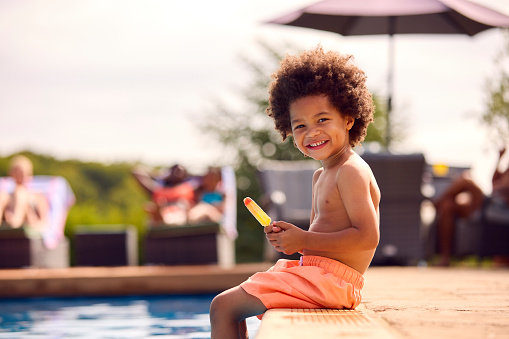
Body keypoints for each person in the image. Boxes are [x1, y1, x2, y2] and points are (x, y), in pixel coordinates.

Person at [209, 46, 380, 339]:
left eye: (322, 119)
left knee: (223, 306)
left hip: (333, 282)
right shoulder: (321, 175)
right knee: (232, 305)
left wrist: (303, 239)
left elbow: (368, 237)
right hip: (318, 274)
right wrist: (290, 237)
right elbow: (318, 241)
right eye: (300, 125)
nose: (311, 132)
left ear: (349, 119)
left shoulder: (350, 170)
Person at [433, 147, 509, 266]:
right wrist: (500, 158)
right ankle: (445, 257)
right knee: (448, 206)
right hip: (490, 203)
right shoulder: (507, 171)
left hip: (499, 207)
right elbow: (493, 182)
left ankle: (435, 204)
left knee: (466, 180)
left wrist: (502, 191)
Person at [0, 155, 48, 230]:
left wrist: (29, 218)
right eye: (16, 173)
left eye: (23, 173)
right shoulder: (5, 195)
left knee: (20, 193)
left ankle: (14, 224)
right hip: (8, 228)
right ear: (11, 174)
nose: (20, 177)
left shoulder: (38, 196)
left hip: (29, 230)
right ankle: (14, 224)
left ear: (30, 175)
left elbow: (44, 223)